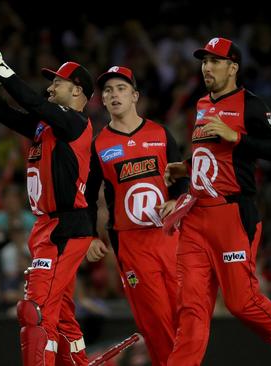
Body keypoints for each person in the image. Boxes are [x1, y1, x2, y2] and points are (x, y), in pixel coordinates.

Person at [163, 37, 271, 366]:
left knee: (241, 301)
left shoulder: (251, 104)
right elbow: (211, 155)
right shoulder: (201, 105)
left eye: (215, 61)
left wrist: (238, 137)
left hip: (232, 214)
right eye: (204, 61)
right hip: (196, 214)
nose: (207, 67)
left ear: (233, 67)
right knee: (191, 308)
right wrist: (185, 168)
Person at [0, 23, 93, 366]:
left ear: (77, 92)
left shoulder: (75, 123)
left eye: (58, 81)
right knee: (60, 314)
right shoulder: (46, 126)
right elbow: (2, 111)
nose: (51, 85)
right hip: (46, 227)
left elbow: (29, 100)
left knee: (34, 309)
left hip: (67, 227)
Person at [84, 66, 186, 366]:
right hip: (131, 245)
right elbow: (88, 196)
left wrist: (177, 200)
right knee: (155, 321)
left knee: (184, 315)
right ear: (102, 100)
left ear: (135, 96)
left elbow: (181, 178)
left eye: (121, 89)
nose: (113, 94)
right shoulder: (100, 145)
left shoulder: (160, 133)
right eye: (108, 91)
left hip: (169, 239)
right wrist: (90, 235)